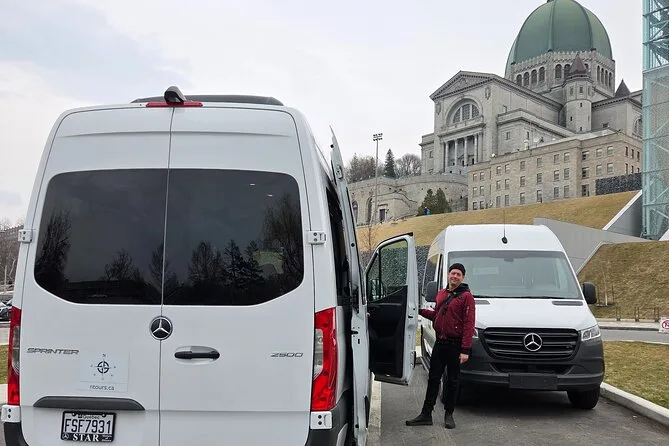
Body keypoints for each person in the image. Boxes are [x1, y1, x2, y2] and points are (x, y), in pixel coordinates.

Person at [406, 263, 475, 429]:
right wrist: (419, 311)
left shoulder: (466, 297)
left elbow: (469, 324)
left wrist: (465, 350)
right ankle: (426, 414)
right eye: (453, 273)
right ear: (448, 275)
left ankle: (449, 414)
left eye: (458, 274)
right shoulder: (441, 294)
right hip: (440, 343)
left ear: (463, 277)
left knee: (452, 381)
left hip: (455, 345)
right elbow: (436, 315)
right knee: (433, 379)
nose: (455, 276)